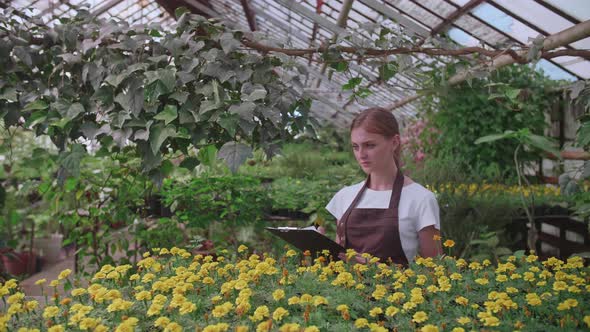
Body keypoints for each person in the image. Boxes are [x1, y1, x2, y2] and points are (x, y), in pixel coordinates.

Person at [324, 107, 441, 265]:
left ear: (394, 142)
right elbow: (339, 258)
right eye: (355, 147)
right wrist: (319, 242)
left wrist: (376, 269)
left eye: (370, 145)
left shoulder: (421, 199)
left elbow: (435, 270)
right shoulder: (345, 196)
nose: (361, 155)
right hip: (345, 289)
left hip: (399, 290)